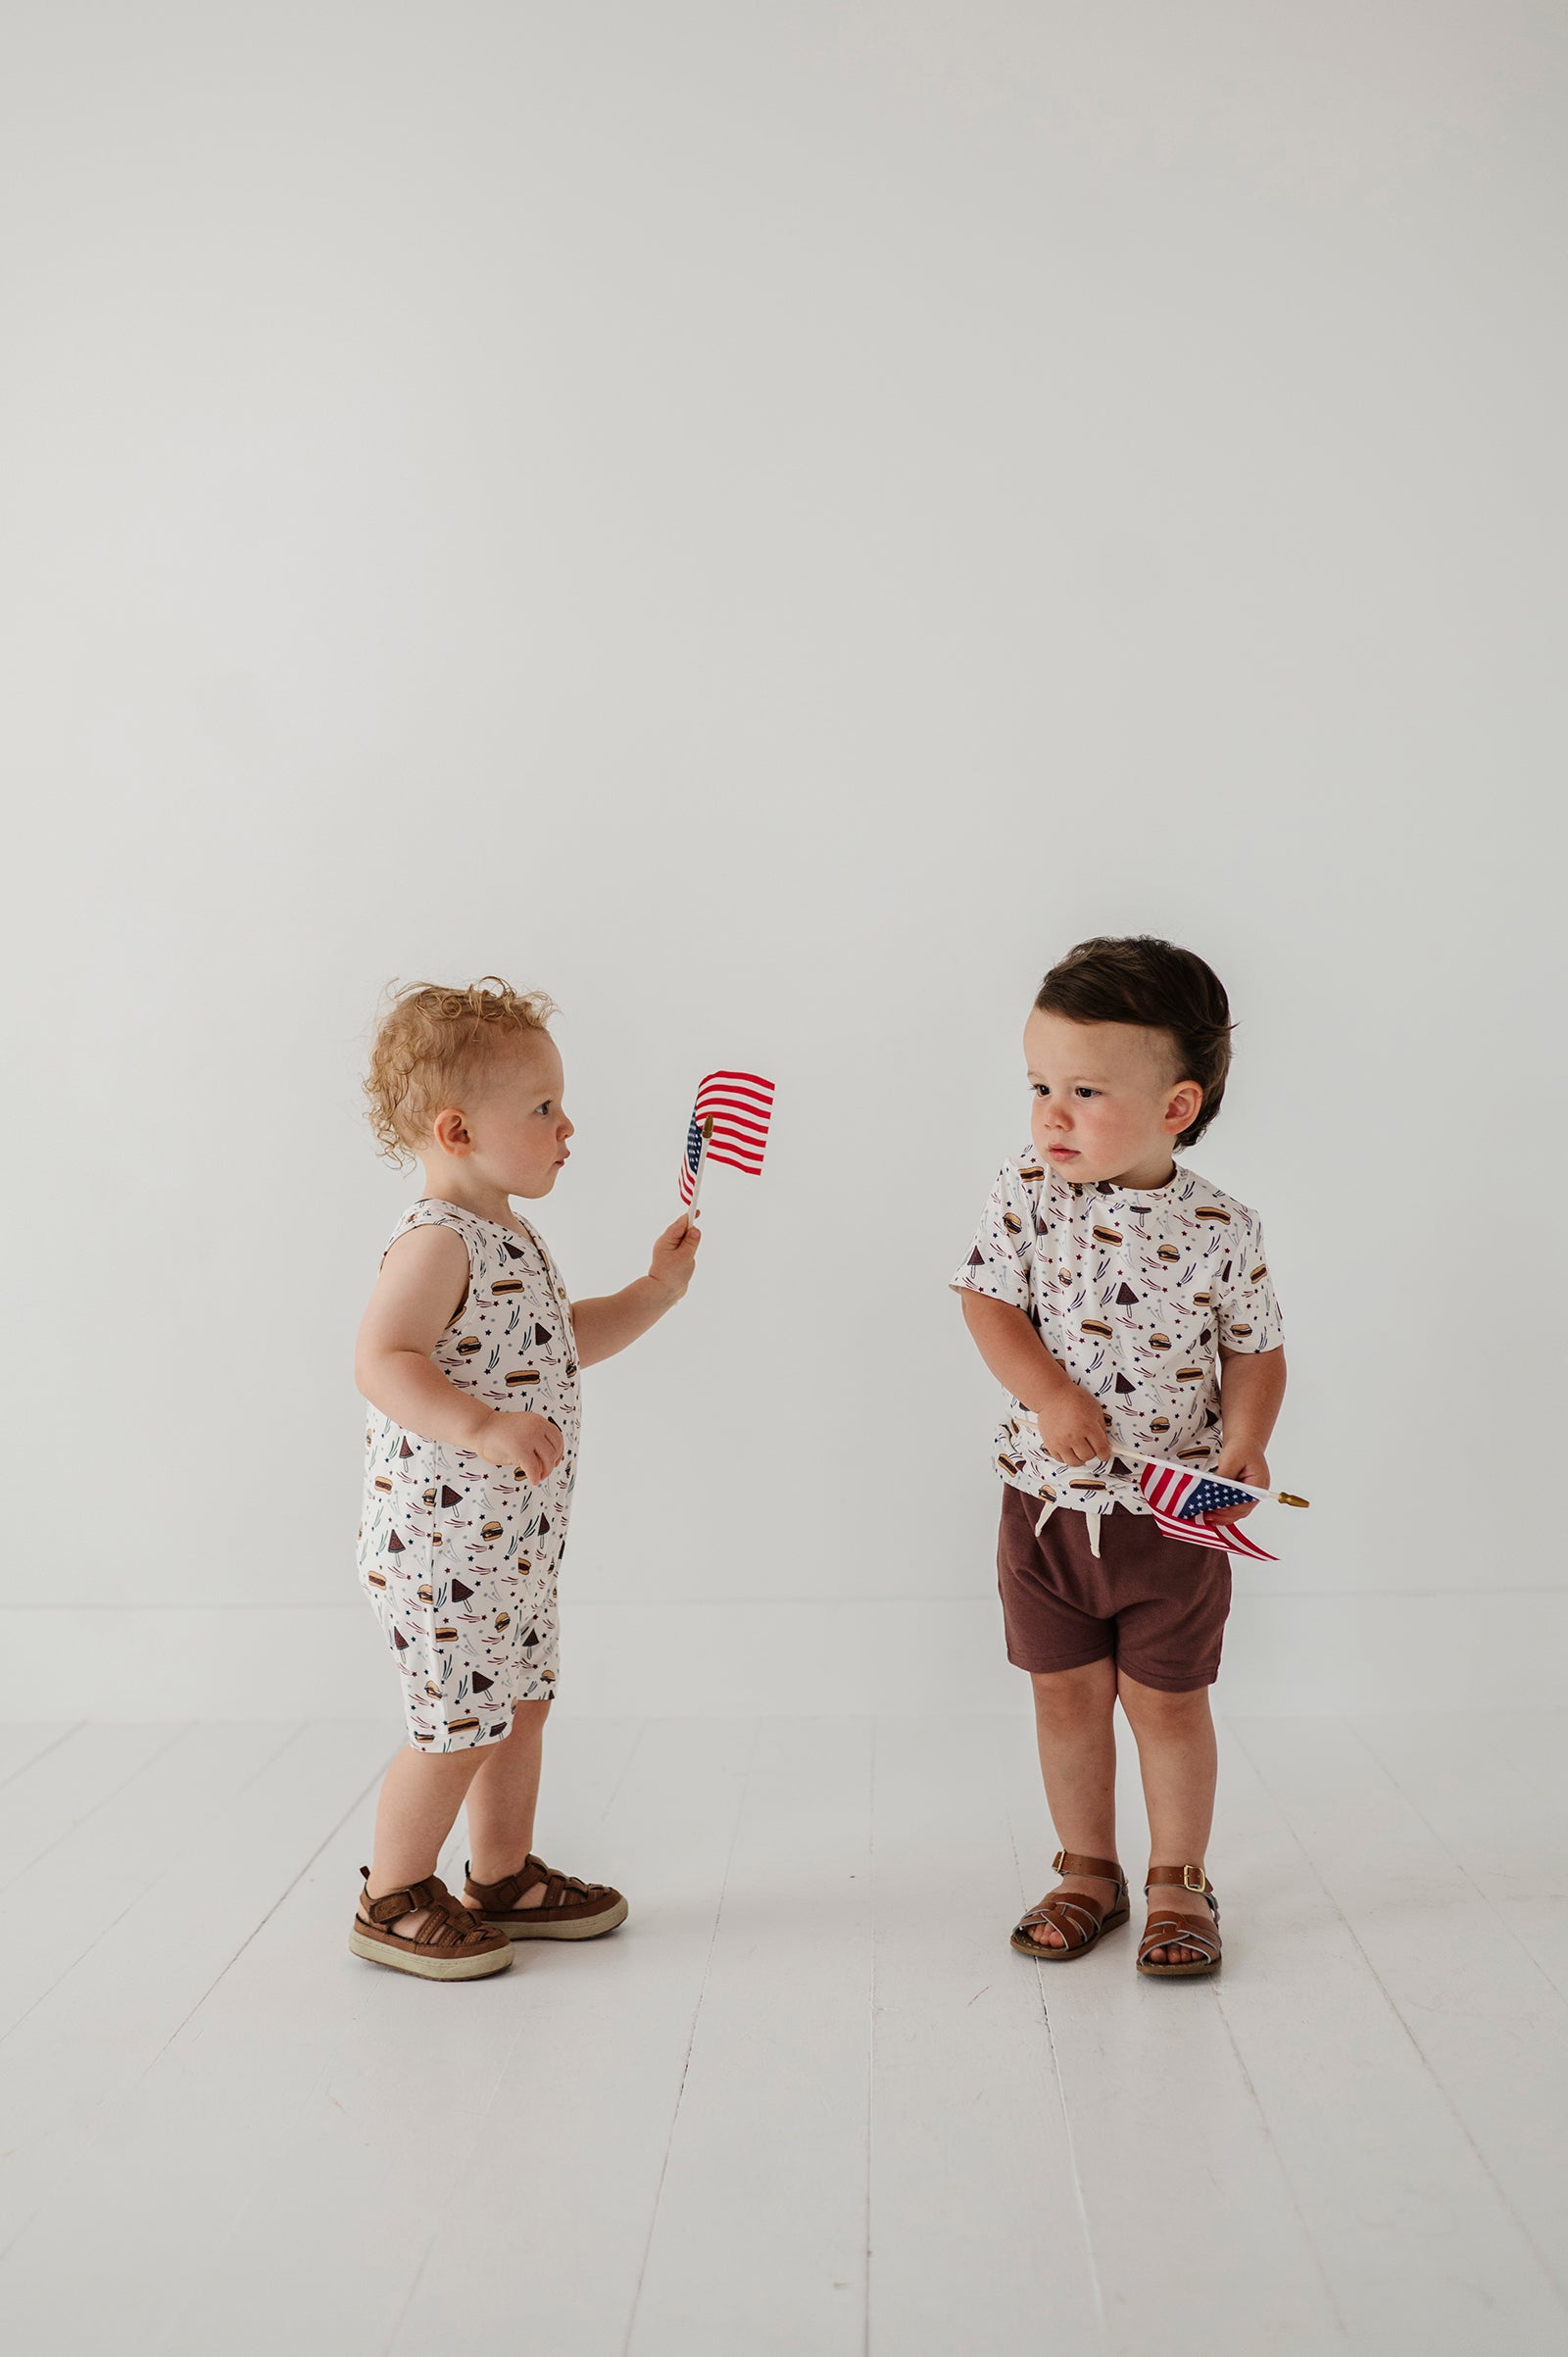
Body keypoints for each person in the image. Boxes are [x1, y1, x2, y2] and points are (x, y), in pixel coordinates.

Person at [349, 978, 701, 1980]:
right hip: (438, 1547)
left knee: (520, 1704)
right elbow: (384, 1358)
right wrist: (480, 1424)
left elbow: (555, 1345)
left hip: (510, 1547)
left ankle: (499, 1874)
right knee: (456, 1722)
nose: (567, 1124)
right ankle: (392, 1894)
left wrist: (652, 1292)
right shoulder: (434, 1241)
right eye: (543, 1107)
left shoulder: (507, 1234)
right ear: (457, 1129)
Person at [951, 937, 1285, 1979]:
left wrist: (1246, 1442)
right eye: (1039, 1083)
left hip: (1168, 1518)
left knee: (1168, 1701)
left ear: (1175, 1107)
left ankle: (1179, 1877)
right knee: (1063, 1693)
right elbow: (987, 1301)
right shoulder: (1024, 1192)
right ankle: (1085, 1868)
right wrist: (1050, 1392)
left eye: (1084, 1089)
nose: (1050, 1113)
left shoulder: (1222, 1226)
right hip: (1046, 1512)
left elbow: (1256, 1348)